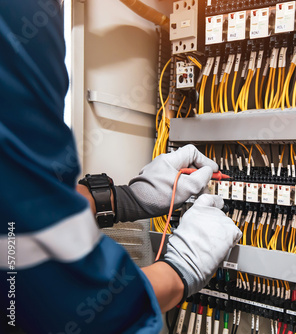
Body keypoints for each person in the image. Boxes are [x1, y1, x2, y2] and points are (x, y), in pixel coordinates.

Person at [0, 1, 241, 333]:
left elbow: (28, 199)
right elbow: (70, 304)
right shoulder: (19, 15)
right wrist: (180, 270)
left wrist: (124, 199)